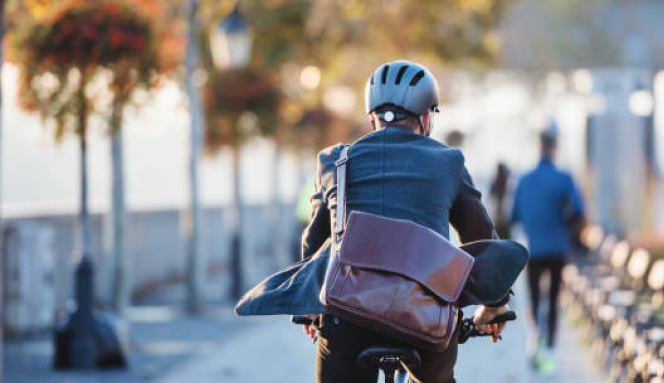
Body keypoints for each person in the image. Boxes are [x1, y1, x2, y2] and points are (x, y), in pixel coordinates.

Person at [234, 60, 529, 383]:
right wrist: (495, 305)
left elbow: (315, 243)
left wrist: (309, 308)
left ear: (372, 117)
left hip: (347, 316)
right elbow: (480, 238)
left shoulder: (335, 161)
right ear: (427, 117)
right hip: (426, 317)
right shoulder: (449, 161)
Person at [511, 129, 584, 374]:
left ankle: (534, 340)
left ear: (538, 147)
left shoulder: (524, 179)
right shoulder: (564, 178)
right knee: (553, 299)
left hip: (533, 249)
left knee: (533, 298)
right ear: (554, 149)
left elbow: (515, 215)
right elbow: (578, 212)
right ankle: (551, 348)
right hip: (557, 247)